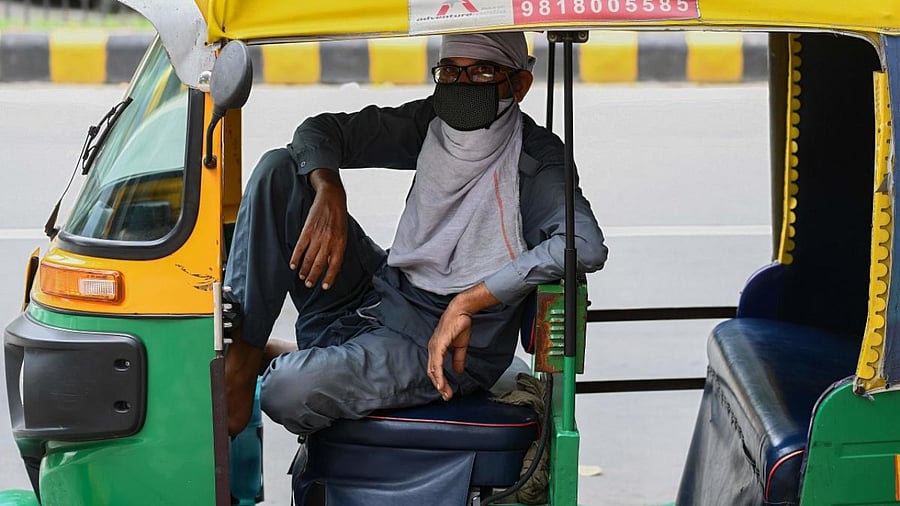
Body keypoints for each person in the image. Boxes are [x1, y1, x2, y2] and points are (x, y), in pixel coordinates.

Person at [224, 31, 608, 437]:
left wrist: (468, 300)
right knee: (279, 171)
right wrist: (328, 186)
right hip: (383, 290)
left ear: (519, 84)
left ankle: (301, 360)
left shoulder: (536, 159)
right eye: (449, 72)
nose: (462, 85)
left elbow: (583, 244)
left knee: (286, 389)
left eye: (482, 73)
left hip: (449, 342)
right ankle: (243, 360)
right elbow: (318, 132)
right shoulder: (431, 124)